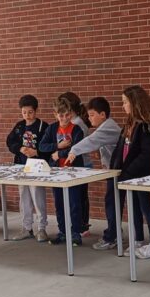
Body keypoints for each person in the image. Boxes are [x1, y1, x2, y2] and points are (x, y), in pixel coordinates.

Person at [111, 85, 150, 259]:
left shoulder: (145, 127)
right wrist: (116, 169)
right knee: (134, 208)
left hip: (142, 176)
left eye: (125, 102)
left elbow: (147, 155)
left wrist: (128, 171)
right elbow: (120, 150)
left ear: (135, 103)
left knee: (145, 207)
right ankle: (138, 239)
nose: (123, 106)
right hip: (129, 176)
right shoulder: (130, 124)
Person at [68, 97, 123, 251]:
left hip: (118, 172)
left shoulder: (108, 127)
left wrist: (74, 150)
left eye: (92, 115)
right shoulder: (106, 126)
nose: (89, 118)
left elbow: (92, 141)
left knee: (112, 203)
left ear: (103, 115)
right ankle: (115, 233)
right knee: (112, 202)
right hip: (113, 171)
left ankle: (112, 237)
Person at [39, 97, 85, 246]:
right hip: (56, 173)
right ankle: (63, 232)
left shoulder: (77, 130)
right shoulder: (52, 129)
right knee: (59, 203)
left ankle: (76, 233)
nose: (64, 118)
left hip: (73, 172)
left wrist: (60, 154)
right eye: (61, 115)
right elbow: (42, 146)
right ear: (55, 115)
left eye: (67, 115)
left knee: (74, 203)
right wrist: (58, 146)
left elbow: (77, 148)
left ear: (71, 113)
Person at [5, 95, 51, 242]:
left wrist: (36, 152)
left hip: (37, 166)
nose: (27, 115)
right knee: (24, 197)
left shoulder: (43, 126)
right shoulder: (19, 126)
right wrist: (19, 149)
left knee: (38, 197)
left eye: (30, 112)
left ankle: (42, 228)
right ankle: (26, 228)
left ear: (36, 111)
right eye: (24, 112)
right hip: (21, 165)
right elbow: (10, 141)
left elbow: (49, 146)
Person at [60, 91, 91, 236]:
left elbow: (75, 147)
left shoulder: (77, 124)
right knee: (79, 197)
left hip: (81, 164)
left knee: (79, 197)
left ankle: (82, 225)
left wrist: (60, 151)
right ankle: (80, 224)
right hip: (76, 164)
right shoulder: (73, 122)